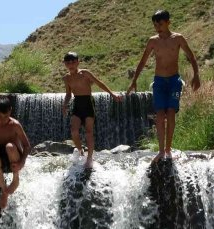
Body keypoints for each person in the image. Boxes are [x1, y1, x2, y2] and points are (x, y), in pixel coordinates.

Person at [127, 9, 201, 162]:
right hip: (159, 81)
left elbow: (191, 57)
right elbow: (143, 61)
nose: (158, 27)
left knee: (171, 113)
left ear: (168, 22)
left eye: (160, 24)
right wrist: (134, 80)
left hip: (174, 81)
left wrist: (196, 75)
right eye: (155, 25)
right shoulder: (153, 41)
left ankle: (168, 149)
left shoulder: (178, 38)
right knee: (160, 115)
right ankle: (161, 151)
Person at [62, 51, 123, 169]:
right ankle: (80, 151)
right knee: (74, 131)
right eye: (68, 62)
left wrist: (112, 94)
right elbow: (68, 94)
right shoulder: (66, 78)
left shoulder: (85, 73)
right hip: (77, 104)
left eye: (73, 61)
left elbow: (99, 83)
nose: (71, 64)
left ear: (78, 62)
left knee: (89, 132)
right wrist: (64, 104)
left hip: (88, 103)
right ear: (64, 64)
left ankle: (89, 158)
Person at [0, 96, 31, 209]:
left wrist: (21, 163)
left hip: (15, 155)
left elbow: (27, 146)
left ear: (10, 111)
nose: (3, 119)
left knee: (9, 147)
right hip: (0, 155)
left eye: (6, 116)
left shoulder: (15, 125)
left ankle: (15, 179)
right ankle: (4, 190)